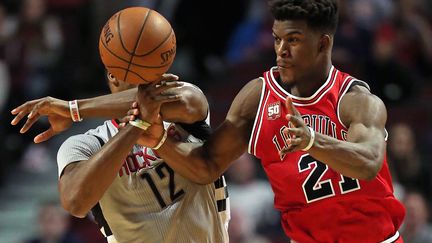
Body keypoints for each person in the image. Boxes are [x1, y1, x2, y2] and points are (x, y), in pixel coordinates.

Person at [133, 0, 405, 242]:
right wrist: (159, 140)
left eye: (293, 40)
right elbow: (207, 165)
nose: (281, 50)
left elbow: (368, 163)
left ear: (322, 43)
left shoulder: (355, 100)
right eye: (277, 39)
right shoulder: (258, 97)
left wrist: (311, 139)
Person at [11, 72, 230, 243]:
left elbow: (191, 101)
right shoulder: (86, 144)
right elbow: (75, 202)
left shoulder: (182, 106)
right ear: (113, 75)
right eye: (137, 59)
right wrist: (136, 126)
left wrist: (73, 109)